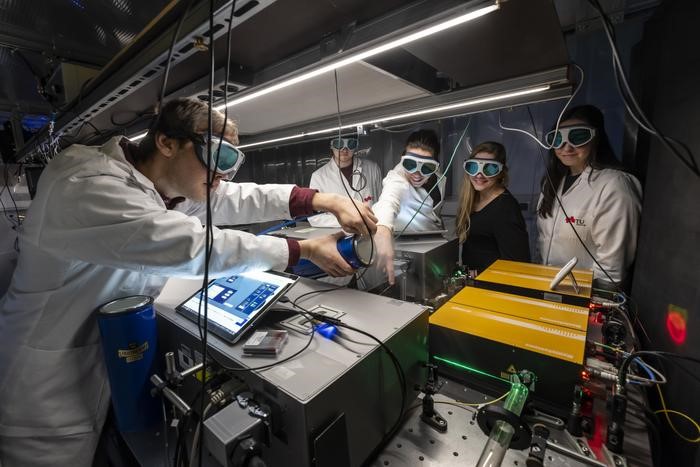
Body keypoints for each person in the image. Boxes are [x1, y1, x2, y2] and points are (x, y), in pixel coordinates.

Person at [0, 98, 376, 467]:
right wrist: (303, 250)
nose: (222, 176)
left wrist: (322, 200)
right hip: (43, 392)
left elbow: (236, 197)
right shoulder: (87, 182)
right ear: (166, 143)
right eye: (215, 159)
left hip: (103, 369)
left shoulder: (161, 185)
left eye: (230, 162)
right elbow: (194, 247)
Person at [535, 105, 642, 288]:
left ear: (596, 137)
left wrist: (594, 305)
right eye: (557, 139)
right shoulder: (552, 183)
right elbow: (543, 242)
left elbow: (611, 269)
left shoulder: (614, 185)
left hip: (585, 295)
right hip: (547, 286)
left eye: (577, 137)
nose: (566, 147)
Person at [373, 129, 446, 283]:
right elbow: (388, 201)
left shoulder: (437, 176)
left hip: (434, 247)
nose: (417, 173)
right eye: (410, 164)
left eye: (427, 167)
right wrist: (383, 231)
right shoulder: (397, 178)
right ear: (403, 159)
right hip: (409, 255)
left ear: (436, 164)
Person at [456, 141, 530, 274]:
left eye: (489, 169)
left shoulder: (505, 208)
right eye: (473, 167)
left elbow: (517, 265)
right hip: (474, 283)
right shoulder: (473, 198)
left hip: (492, 287)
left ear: (501, 172)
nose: (479, 175)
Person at [308, 136, 383, 227]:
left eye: (350, 144)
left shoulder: (372, 168)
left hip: (371, 230)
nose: (344, 149)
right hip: (338, 233)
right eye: (339, 144)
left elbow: (382, 203)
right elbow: (315, 217)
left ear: (356, 145)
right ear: (331, 145)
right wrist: (348, 221)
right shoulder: (319, 176)